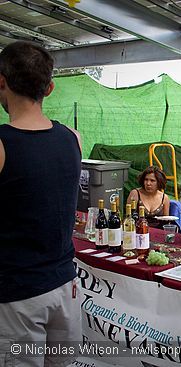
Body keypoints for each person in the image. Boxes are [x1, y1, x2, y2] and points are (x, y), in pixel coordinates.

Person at [0, 41, 82, 366]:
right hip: (65, 287)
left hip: (18, 296)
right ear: (49, 87)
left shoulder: (3, 144)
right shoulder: (72, 138)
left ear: (1, 81)